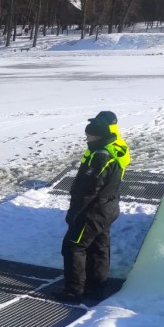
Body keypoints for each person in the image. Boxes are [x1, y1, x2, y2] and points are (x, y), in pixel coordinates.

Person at [61, 118, 122, 301]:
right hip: (107, 208)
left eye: (89, 135)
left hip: (94, 210)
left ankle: (74, 291)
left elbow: (89, 189)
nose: (87, 139)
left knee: (73, 246)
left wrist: (75, 212)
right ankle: (95, 288)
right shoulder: (112, 149)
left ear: (97, 136)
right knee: (99, 247)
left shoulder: (100, 156)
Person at [85, 110, 130, 178]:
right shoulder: (117, 140)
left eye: (97, 123)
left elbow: (94, 180)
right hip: (111, 184)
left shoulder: (103, 147)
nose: (95, 125)